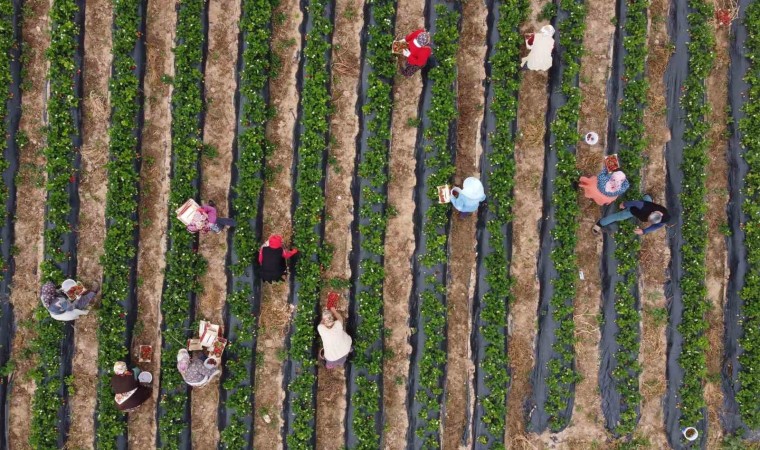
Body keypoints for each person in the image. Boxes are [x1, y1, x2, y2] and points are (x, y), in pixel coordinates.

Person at [593, 195, 671, 235]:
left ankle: (647, 196)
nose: (648, 218)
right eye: (650, 215)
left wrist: (644, 231)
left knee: (647, 199)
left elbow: (655, 226)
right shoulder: (646, 207)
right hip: (633, 210)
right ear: (656, 212)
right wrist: (624, 204)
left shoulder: (661, 221)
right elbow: (635, 203)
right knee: (618, 216)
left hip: (643, 210)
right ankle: (600, 223)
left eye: (649, 221)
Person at [317, 293, 352, 369]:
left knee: (330, 362)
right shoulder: (338, 324)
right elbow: (339, 317)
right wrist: (333, 310)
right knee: (342, 358)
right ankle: (350, 350)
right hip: (345, 349)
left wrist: (324, 316)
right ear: (333, 319)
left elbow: (321, 323)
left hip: (332, 358)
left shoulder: (321, 329)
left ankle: (329, 366)